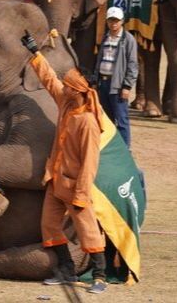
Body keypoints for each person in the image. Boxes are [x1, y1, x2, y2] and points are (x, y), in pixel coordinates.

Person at [21, 31, 107, 294]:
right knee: (48, 225)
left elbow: (90, 163)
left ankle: (100, 276)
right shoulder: (67, 103)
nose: (64, 87)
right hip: (56, 179)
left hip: (75, 186)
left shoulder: (89, 122)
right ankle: (66, 270)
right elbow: (49, 79)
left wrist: (81, 193)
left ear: (79, 91)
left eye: (69, 85)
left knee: (88, 230)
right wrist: (35, 53)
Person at [94, 6, 139, 148]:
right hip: (103, 84)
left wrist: (127, 86)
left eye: (116, 21)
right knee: (106, 120)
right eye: (111, 20)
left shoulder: (128, 40)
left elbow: (133, 64)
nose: (113, 23)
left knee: (122, 120)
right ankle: (110, 149)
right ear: (107, 21)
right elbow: (99, 60)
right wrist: (96, 80)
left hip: (118, 86)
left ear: (122, 21)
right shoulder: (105, 37)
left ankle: (125, 150)